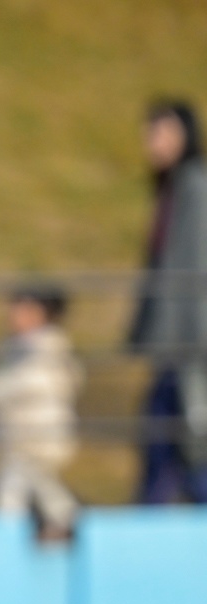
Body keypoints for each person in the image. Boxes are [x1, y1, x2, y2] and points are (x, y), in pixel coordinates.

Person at [128, 97, 207, 503]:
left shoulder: (194, 187)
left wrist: (184, 342)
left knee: (176, 435)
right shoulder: (174, 187)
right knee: (172, 437)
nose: (153, 141)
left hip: (189, 345)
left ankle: (151, 515)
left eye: (162, 131)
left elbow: (190, 270)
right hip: (178, 345)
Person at [0, 284, 82, 542]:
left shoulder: (46, 349)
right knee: (22, 487)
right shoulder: (17, 348)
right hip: (20, 438)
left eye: (24, 310)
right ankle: (56, 529)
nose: (13, 316)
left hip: (38, 437)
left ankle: (61, 527)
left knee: (17, 490)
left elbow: (31, 384)